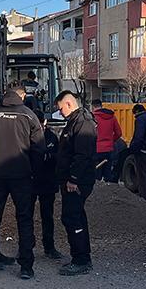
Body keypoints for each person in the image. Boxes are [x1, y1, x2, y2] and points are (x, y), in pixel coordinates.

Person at [0, 86, 44, 280]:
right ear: (21, 96)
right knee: (24, 219)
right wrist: (32, 171)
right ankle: (26, 266)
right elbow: (39, 147)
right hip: (22, 176)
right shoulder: (29, 116)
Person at [55, 91, 97, 276]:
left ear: (69, 104)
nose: (60, 112)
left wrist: (74, 179)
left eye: (61, 108)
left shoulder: (83, 123)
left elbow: (82, 155)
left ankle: (81, 259)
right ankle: (80, 256)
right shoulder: (76, 122)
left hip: (77, 182)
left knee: (72, 217)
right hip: (72, 179)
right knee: (75, 216)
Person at [31, 109, 63, 259]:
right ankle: (27, 246)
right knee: (26, 215)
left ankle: (49, 246)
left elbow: (59, 156)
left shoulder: (51, 137)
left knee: (47, 216)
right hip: (30, 181)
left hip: (48, 181)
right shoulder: (26, 136)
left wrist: (49, 156)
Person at [91, 99, 122, 183]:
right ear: (101, 105)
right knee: (107, 174)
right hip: (109, 149)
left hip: (96, 150)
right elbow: (119, 133)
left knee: (96, 176)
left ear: (93, 107)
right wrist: (111, 141)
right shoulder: (112, 116)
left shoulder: (92, 118)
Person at [130, 104, 146, 203]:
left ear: (136, 111)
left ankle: (144, 199)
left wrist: (134, 149)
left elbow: (138, 137)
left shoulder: (140, 120)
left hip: (143, 152)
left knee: (142, 175)